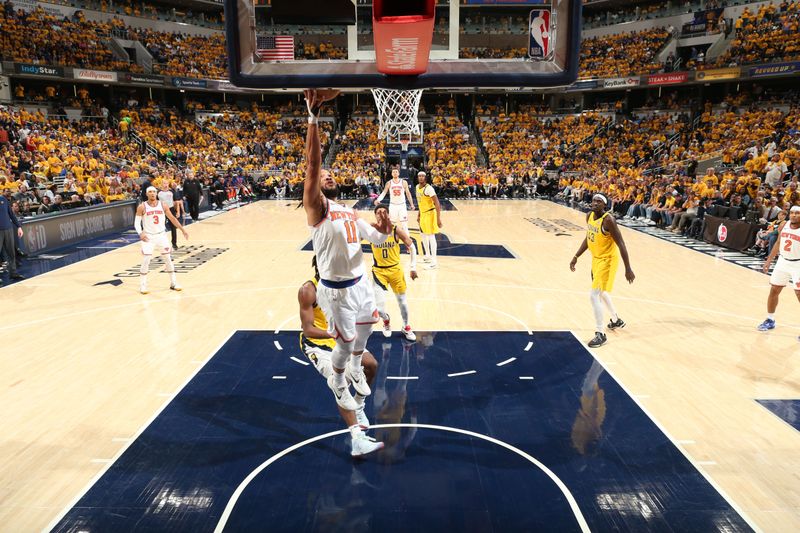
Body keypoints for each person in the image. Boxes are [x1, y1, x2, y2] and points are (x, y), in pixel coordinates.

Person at [303, 89, 392, 456]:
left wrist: (386, 226)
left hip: (359, 286)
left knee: (367, 354)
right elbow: (311, 165)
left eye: (330, 174)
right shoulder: (316, 209)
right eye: (323, 175)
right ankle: (352, 421)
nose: (327, 175)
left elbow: (379, 235)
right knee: (343, 349)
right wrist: (313, 118)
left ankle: (353, 371)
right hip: (335, 294)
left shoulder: (348, 211)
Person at [298, 256, 383, 456]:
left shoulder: (342, 286)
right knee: (341, 380)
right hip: (317, 344)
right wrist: (335, 332)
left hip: (341, 339)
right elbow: (308, 329)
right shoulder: (308, 290)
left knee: (371, 365)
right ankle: (357, 439)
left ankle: (359, 407)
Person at [570, 193, 635, 348]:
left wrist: (628, 268)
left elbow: (621, 244)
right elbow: (589, 237)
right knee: (601, 292)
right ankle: (615, 319)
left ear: (605, 205)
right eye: (594, 200)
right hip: (596, 259)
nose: (595, 203)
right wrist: (576, 256)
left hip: (608, 261)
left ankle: (600, 334)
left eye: (599, 201)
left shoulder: (609, 220)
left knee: (594, 295)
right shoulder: (589, 216)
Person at [370, 204, 419, 341]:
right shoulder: (371, 230)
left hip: (395, 270)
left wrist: (413, 267)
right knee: (379, 308)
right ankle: (386, 321)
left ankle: (406, 326)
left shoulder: (396, 229)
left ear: (389, 214)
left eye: (384, 211)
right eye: (379, 212)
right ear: (375, 216)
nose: (382, 214)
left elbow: (412, 246)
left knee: (402, 302)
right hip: (379, 271)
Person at [135, 186, 189, 294]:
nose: (152, 194)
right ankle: (143, 285)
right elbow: (136, 223)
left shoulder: (163, 205)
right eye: (150, 192)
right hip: (148, 236)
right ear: (147, 194)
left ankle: (173, 283)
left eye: (154, 192)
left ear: (156, 194)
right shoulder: (142, 207)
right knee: (146, 260)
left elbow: (172, 218)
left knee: (168, 259)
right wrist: (140, 233)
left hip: (161, 236)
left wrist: (183, 230)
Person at [757, 205, 800, 341]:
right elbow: (778, 243)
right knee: (774, 290)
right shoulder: (784, 224)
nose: (793, 215)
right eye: (792, 213)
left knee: (799, 294)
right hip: (782, 261)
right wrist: (769, 260)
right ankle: (770, 319)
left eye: (797, 213)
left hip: (798, 264)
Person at [374, 167, 415, 233]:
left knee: (404, 224)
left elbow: (408, 193)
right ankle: (391, 238)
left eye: (396, 172)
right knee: (392, 224)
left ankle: (408, 239)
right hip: (393, 205)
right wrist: (378, 199)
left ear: (398, 173)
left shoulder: (404, 182)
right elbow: (384, 192)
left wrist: (412, 204)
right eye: (393, 172)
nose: (395, 173)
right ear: (392, 174)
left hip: (402, 205)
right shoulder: (389, 183)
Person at [415, 171, 442, 269]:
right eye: (419, 176)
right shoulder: (417, 187)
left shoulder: (429, 189)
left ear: (425, 177)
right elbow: (420, 203)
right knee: (423, 235)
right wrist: (419, 215)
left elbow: (437, 204)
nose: (421, 177)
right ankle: (427, 256)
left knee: (431, 237)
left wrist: (438, 219)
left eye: (423, 176)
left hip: (430, 214)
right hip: (423, 214)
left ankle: (434, 262)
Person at [0, 191, 24, 284]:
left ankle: (13, 273)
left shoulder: (3, 199)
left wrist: (18, 226)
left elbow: (11, 214)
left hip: (8, 229)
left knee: (11, 252)